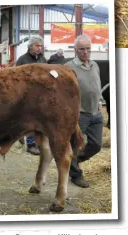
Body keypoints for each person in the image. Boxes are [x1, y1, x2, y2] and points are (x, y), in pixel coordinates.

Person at [65, 34, 104, 188]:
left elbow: (97, 85)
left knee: (96, 145)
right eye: (81, 49)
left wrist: (100, 101)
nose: (85, 52)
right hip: (79, 113)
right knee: (74, 144)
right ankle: (75, 175)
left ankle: (73, 161)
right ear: (75, 50)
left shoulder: (95, 65)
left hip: (96, 112)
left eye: (88, 49)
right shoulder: (68, 67)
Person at [15, 35, 47, 155]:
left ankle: (33, 140)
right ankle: (30, 144)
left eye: (41, 46)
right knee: (29, 119)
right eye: (37, 46)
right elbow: (15, 78)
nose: (39, 48)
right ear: (30, 46)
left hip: (40, 94)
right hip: (26, 94)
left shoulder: (43, 59)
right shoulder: (22, 60)